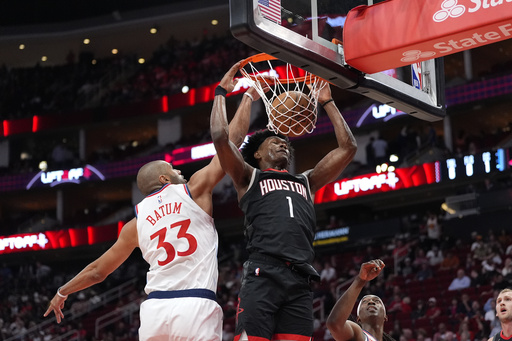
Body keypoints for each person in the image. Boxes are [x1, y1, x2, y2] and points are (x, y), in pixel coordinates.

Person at [43, 62, 260, 341]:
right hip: (194, 305)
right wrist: (247, 98)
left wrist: (63, 292)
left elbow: (98, 271)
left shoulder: (133, 225)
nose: (180, 171)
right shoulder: (193, 190)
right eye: (173, 169)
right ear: (163, 180)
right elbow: (230, 144)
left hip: (155, 311)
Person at [210, 63, 357, 341]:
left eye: (285, 142)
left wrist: (327, 102)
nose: (283, 144)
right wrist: (222, 92)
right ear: (256, 155)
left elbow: (348, 148)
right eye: (275, 141)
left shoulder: (306, 181)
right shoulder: (248, 176)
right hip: (263, 273)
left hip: (300, 281)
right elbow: (220, 137)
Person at [325, 259, 395, 341]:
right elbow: (334, 324)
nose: (371, 302)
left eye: (377, 301)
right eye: (365, 302)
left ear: (385, 316)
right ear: (358, 318)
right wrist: (360, 280)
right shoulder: (357, 334)